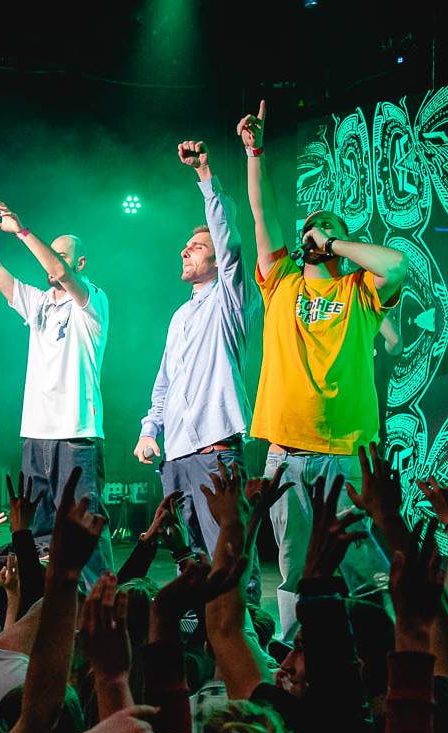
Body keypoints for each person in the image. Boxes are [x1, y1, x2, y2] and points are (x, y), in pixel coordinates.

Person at [239, 99, 405, 636]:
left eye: (327, 228)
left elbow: (397, 264)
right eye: (310, 227)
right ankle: (294, 654)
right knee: (294, 570)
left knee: (363, 571)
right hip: (285, 453)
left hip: (344, 452)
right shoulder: (281, 282)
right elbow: (262, 214)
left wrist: (333, 241)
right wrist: (255, 152)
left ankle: (378, 652)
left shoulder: (359, 291)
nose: (314, 231)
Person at [0, 185, 112, 581]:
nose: (51, 260)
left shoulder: (92, 301)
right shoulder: (40, 303)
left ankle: (102, 601)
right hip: (35, 435)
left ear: (80, 262)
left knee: (83, 529)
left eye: (61, 253)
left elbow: (60, 273)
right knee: (38, 535)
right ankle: (43, 604)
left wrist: (22, 232)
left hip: (76, 434)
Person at [135, 139, 256, 577]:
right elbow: (165, 384)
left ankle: (243, 620)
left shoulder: (230, 300)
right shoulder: (180, 315)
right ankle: (195, 623)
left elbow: (231, 246)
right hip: (177, 456)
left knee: (228, 557)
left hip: (215, 450)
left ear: (217, 259)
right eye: (186, 245)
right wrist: (150, 430)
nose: (185, 250)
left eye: (198, 246)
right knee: (190, 563)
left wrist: (205, 177)